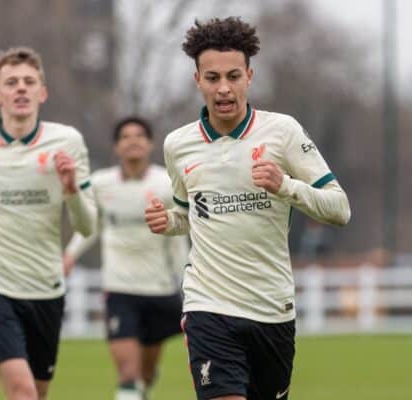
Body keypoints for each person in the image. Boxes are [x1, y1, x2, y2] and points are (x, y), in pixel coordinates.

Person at [145, 17, 351, 400]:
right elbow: (190, 216)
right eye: (212, 77)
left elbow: (340, 209)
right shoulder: (178, 145)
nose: (223, 88)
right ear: (198, 81)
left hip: (272, 309)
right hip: (208, 305)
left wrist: (285, 186)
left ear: (249, 77)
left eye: (233, 76)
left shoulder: (283, 132)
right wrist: (167, 221)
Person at [0, 46, 97, 400]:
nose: (21, 88)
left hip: (46, 289)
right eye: (11, 82)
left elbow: (88, 226)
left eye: (29, 82)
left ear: (43, 92)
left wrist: (71, 189)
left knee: (37, 394)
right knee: (22, 392)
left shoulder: (67, 142)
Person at [63, 117, 188, 400]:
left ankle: (142, 388)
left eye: (140, 135)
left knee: (146, 372)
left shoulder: (167, 184)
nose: (133, 141)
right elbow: (90, 226)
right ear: (116, 147)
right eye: (126, 137)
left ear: (150, 144)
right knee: (128, 375)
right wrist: (70, 255)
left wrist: (188, 274)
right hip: (119, 289)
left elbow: (183, 228)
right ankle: (132, 389)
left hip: (161, 288)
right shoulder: (100, 184)